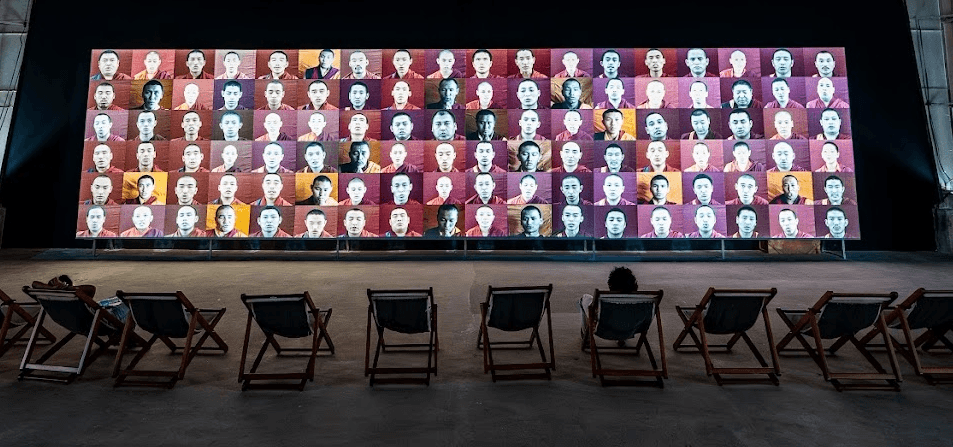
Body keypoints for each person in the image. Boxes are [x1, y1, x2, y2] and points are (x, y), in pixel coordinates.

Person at [578, 266, 638, 343]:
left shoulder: (603, 303)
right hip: (630, 331)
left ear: (611, 284)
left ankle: (587, 337)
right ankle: (622, 338)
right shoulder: (642, 303)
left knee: (585, 299)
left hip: (604, 331)